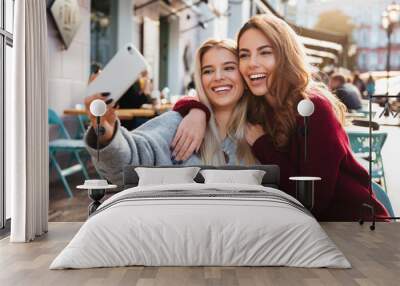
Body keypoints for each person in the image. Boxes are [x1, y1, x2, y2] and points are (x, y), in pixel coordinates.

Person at [171, 14, 389, 221]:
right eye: (244, 55)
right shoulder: (259, 105)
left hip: (355, 229)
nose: (252, 63)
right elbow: (217, 98)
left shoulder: (313, 108)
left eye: (265, 52)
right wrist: (197, 111)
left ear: (285, 56)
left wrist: (263, 145)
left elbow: (312, 201)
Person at [84, 39, 256, 185]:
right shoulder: (177, 123)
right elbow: (130, 164)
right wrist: (107, 134)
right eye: (208, 70)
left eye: (229, 67)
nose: (218, 76)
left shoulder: (261, 131)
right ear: (200, 79)